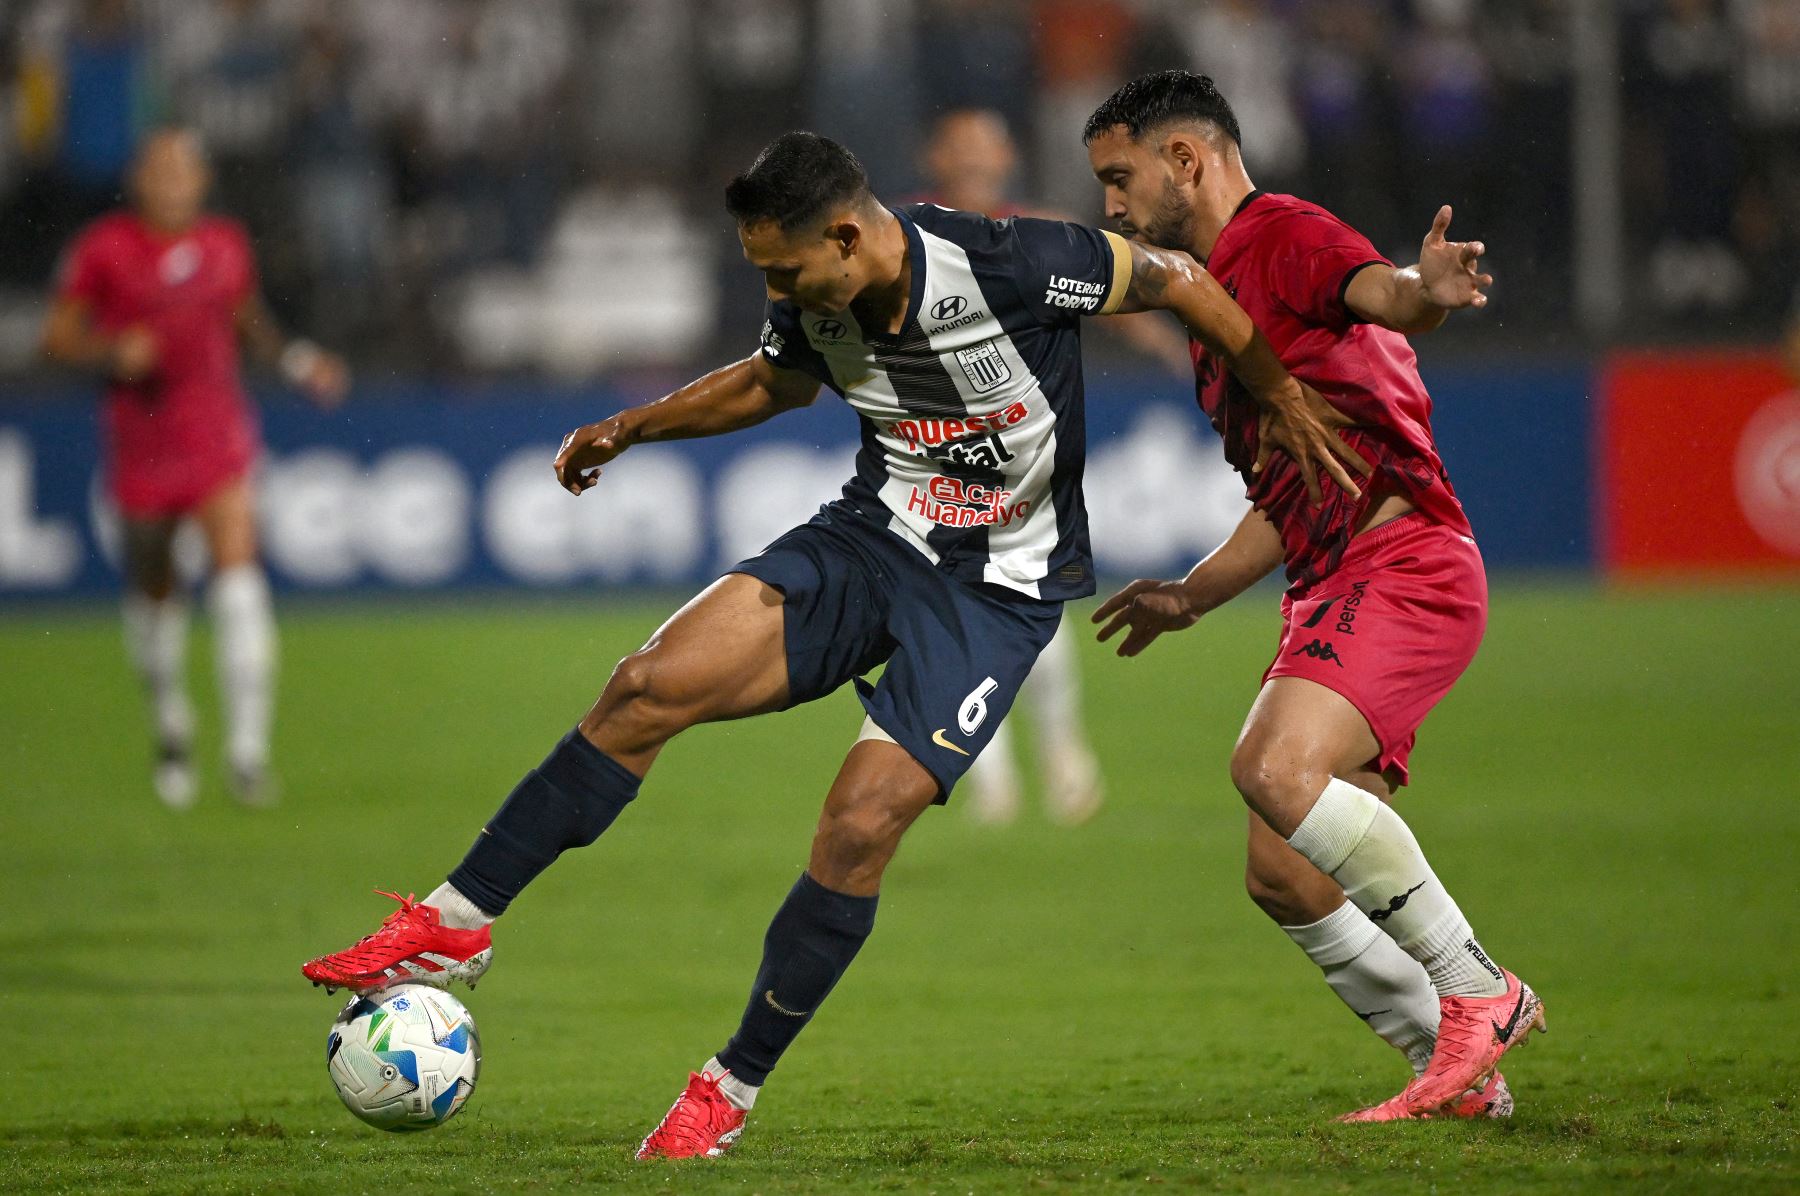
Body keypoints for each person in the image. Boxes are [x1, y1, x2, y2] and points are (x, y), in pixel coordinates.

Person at [300, 130, 1365, 1159]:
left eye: (785, 267)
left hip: (994, 591)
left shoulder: (1009, 261)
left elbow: (1178, 277)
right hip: (873, 536)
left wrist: (1277, 393)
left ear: (849, 240)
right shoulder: (811, 297)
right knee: (644, 684)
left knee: (857, 826)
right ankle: (459, 917)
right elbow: (773, 380)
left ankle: (727, 1087)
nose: (777, 290)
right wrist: (634, 424)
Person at [1081, 71, 1544, 1121]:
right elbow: (1290, 497)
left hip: (1406, 565)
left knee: (1270, 767)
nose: (1110, 205)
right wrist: (1191, 597)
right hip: (1336, 577)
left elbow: (1382, 291)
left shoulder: (1277, 237)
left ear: (1186, 161)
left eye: (1120, 178)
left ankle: (1481, 988)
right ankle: (1459, 1069)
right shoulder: (1209, 295)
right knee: (1284, 872)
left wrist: (1424, 284)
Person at [41, 127, 349, 809]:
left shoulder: (224, 245)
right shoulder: (104, 250)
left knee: (239, 579)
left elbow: (247, 322)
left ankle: (247, 754)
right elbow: (56, 337)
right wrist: (110, 349)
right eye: (159, 170)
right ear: (140, 179)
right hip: (142, 447)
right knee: (156, 595)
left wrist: (300, 363)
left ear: (200, 182)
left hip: (217, 438)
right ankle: (172, 719)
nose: (172, 182)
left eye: (183, 170)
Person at [915, 106, 1187, 826]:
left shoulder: (1034, 232)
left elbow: (1105, 288)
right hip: (936, 444)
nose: (974, 159)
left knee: (1014, 593)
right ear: (936, 156)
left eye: (986, 147)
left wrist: (1161, 339)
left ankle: (1054, 754)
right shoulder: (908, 236)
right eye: (961, 145)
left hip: (1025, 444)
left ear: (1005, 160)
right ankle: (1001, 772)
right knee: (960, 604)